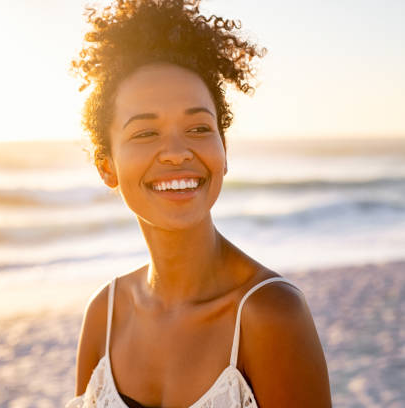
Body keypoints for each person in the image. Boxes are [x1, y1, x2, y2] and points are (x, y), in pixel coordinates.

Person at [67, 1, 331, 407]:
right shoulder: (104, 314)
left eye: (198, 128)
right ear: (107, 167)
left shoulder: (270, 315)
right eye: (145, 133)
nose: (176, 152)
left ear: (223, 151)